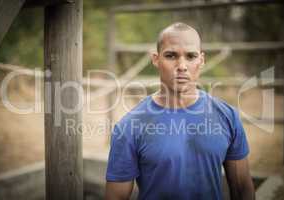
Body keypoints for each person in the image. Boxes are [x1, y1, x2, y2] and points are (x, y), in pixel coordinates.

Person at [105, 22, 255, 200]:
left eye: (191, 56)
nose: (182, 65)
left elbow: (242, 188)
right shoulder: (129, 127)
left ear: (201, 60)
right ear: (156, 59)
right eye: (171, 55)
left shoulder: (227, 116)